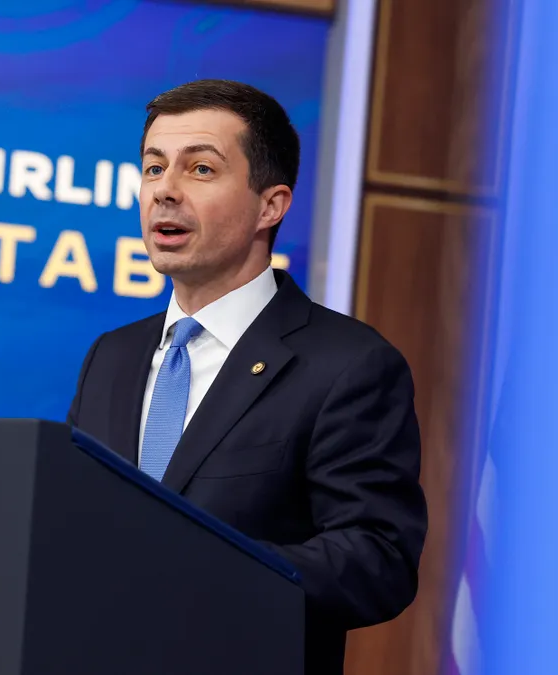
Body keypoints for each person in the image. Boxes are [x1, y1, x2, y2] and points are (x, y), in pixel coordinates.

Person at [66, 79, 427, 673]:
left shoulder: (348, 365)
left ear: (272, 205)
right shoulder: (113, 355)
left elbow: (376, 560)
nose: (165, 192)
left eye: (200, 170)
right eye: (153, 169)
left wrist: (199, 565)